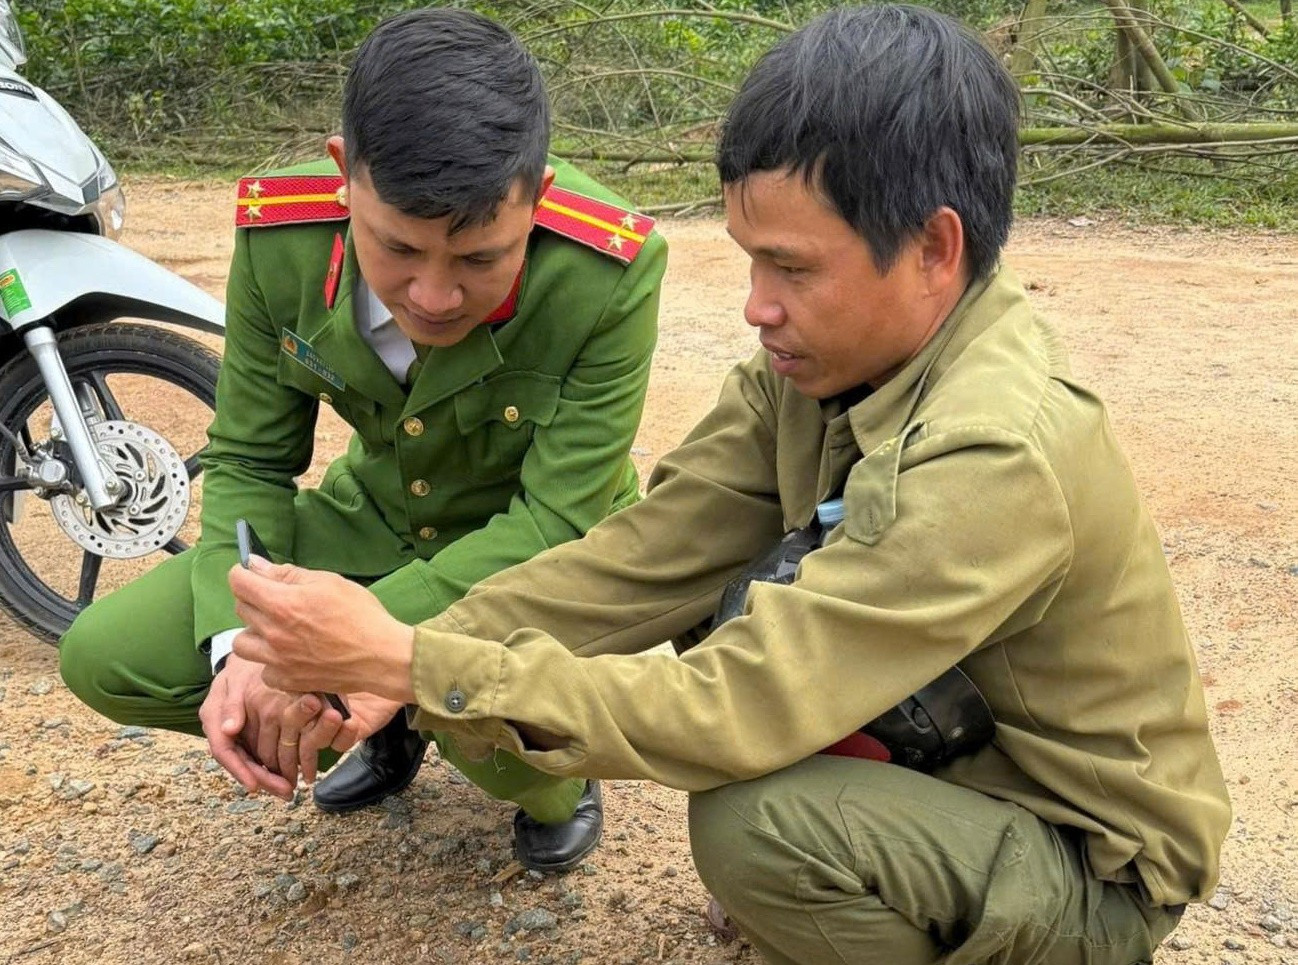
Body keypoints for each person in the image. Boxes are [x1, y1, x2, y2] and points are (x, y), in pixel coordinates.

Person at [228, 5, 1231, 962]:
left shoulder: (994, 450)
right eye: (751, 260)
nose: (755, 307)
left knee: (757, 823)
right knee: (727, 599)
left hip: (1085, 859)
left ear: (932, 248)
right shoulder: (822, 369)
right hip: (947, 750)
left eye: (791, 269)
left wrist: (415, 664)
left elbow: (741, 703)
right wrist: (391, 665)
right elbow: (637, 559)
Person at [58, 7, 667, 874]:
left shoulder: (610, 272)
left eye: (481, 260)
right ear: (346, 176)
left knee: (496, 728)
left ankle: (538, 775)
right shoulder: (283, 241)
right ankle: (383, 728)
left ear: (538, 196)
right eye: (398, 248)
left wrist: (362, 648)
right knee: (107, 656)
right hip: (372, 521)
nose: (434, 295)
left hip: (529, 562)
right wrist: (247, 643)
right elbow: (250, 461)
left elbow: (557, 522)